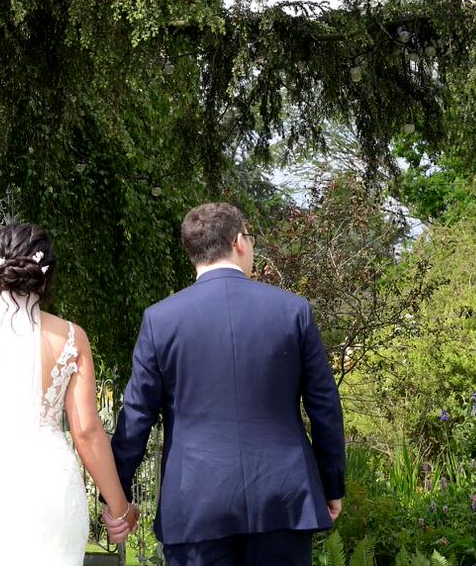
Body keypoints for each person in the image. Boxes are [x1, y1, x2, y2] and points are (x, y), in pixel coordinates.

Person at [109, 201, 346, 566]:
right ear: (238, 241)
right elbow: (324, 406)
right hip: (283, 499)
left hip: (194, 502)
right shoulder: (292, 310)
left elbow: (137, 415)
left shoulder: (161, 319)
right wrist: (332, 484)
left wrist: (117, 495)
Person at [0, 221, 137, 565]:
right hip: (51, 484)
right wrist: (119, 507)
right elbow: (86, 432)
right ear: (46, 275)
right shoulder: (71, 337)